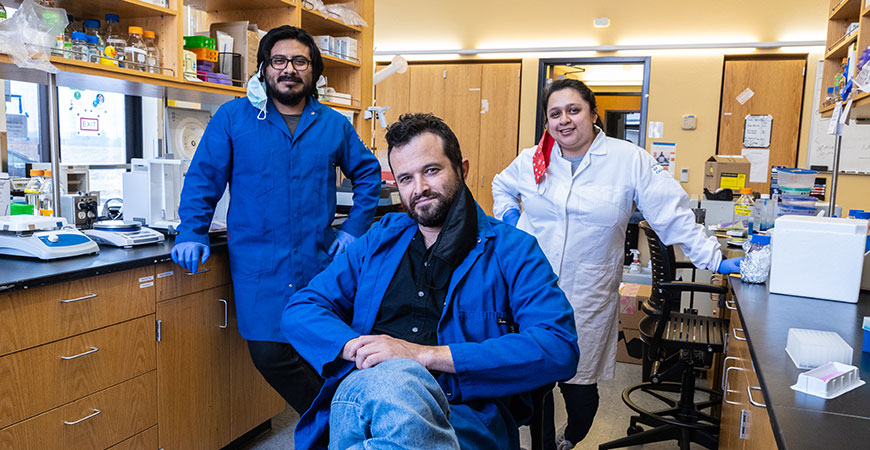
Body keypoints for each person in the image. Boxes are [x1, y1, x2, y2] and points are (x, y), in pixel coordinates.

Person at [281, 113, 580, 450]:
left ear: (461, 169)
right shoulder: (379, 240)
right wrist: (359, 349)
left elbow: (558, 347)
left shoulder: (513, 249)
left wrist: (422, 356)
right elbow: (302, 307)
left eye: (431, 171)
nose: (419, 188)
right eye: (406, 178)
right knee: (388, 382)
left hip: (464, 414)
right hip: (366, 392)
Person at [491, 79, 743, 450]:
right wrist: (511, 219)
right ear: (546, 121)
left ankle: (570, 437)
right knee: (535, 388)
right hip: (531, 291)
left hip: (588, 295)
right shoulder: (533, 159)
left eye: (573, 110)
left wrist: (715, 259)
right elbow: (501, 186)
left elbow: (673, 215)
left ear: (593, 114)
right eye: (554, 113)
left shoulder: (628, 160)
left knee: (581, 395)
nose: (564, 120)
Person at [171, 26, 381, 415]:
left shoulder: (333, 124)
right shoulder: (234, 117)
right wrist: (192, 231)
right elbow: (204, 177)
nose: (289, 69)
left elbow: (368, 174)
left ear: (313, 71)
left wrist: (353, 228)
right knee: (270, 354)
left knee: (327, 352)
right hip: (259, 268)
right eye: (279, 60)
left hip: (317, 264)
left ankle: (345, 427)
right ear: (264, 68)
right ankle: (349, 424)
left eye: (299, 61)